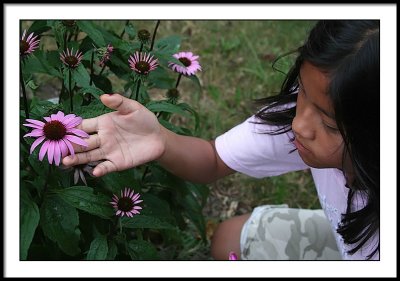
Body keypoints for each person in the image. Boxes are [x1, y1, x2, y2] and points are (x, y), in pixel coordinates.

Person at [62, 20, 379, 260]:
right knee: (229, 239)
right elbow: (213, 159)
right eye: (302, 93)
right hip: (348, 237)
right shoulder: (309, 113)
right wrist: (159, 138)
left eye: (329, 124)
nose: (300, 124)